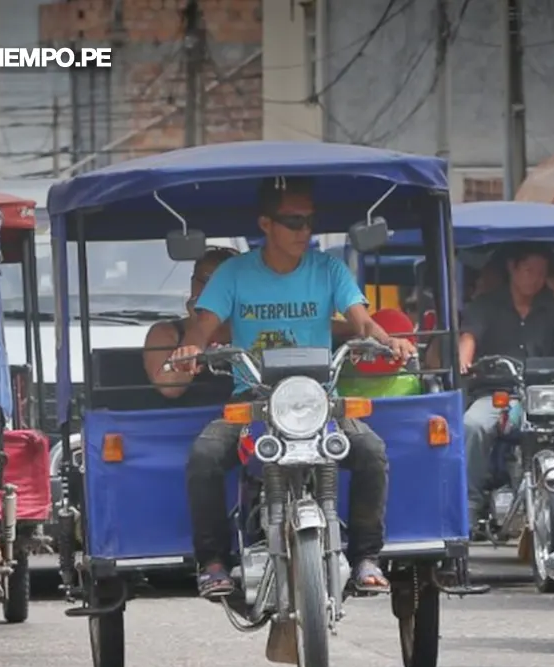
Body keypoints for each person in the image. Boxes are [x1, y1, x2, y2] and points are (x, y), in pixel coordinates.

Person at [169, 176, 415, 599]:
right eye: (293, 221)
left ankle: (365, 558)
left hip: (320, 401)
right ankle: (212, 563)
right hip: (255, 402)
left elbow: (361, 321)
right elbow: (202, 324)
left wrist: (386, 340)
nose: (305, 231)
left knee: (372, 451)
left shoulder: (329, 269)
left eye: (309, 222)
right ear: (266, 224)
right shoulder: (234, 273)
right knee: (205, 455)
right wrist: (192, 345)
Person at [458, 247, 554, 530]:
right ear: (513, 268)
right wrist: (464, 360)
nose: (535, 279)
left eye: (541, 273)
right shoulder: (485, 305)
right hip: (497, 395)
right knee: (473, 425)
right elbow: (469, 338)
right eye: (529, 271)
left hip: (544, 396)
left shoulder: (552, 307)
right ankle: (470, 505)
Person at [144, 247, 238, 400]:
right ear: (193, 282)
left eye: (221, 283)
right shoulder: (165, 332)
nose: (212, 289)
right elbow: (169, 388)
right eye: (206, 281)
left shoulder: (250, 328)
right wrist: (198, 326)